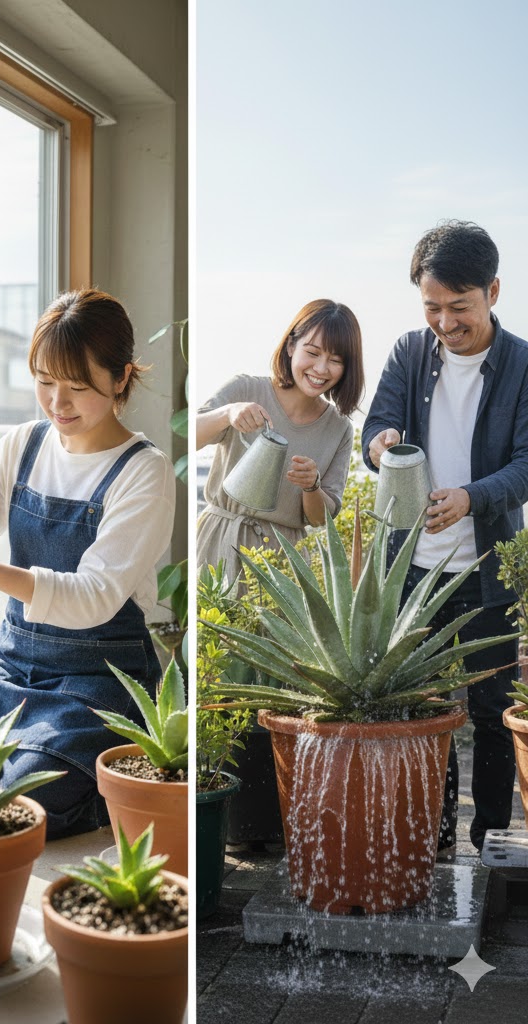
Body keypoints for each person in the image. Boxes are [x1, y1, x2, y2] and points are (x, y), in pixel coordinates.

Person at [0, 289, 176, 839]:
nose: (57, 402)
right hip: (11, 665)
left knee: (15, 806)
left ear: (121, 379)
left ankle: (109, 792)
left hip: (97, 678)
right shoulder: (25, 442)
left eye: (77, 387)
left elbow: (94, 596)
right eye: (45, 381)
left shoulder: (145, 472)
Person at [363, 219, 528, 854]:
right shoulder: (409, 350)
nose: (445, 321)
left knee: (489, 713)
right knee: (426, 714)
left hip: (486, 571)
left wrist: (469, 499)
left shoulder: (521, 365)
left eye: (459, 307)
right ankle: (433, 844)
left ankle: (487, 842)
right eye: (432, 307)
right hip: (412, 571)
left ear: (493, 291)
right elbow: (375, 426)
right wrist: (377, 446)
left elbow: (523, 466)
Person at [196, 299, 364, 585]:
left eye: (336, 360)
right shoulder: (246, 388)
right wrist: (228, 413)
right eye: (312, 353)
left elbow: (321, 519)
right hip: (219, 539)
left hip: (285, 561)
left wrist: (312, 486)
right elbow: (191, 436)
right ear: (290, 347)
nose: (321, 369)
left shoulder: (339, 429)